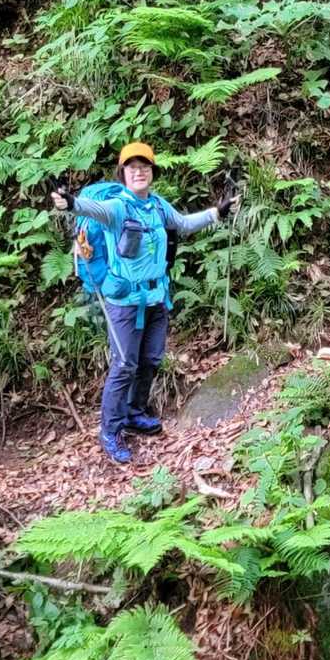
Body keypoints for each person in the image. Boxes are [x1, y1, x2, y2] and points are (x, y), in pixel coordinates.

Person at [52, 141, 235, 464]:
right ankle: (110, 430)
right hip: (124, 301)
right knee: (125, 364)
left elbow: (183, 225)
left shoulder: (158, 206)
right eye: (132, 167)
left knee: (150, 359)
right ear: (123, 173)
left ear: (152, 172)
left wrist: (216, 213)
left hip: (155, 298)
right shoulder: (117, 208)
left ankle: (135, 412)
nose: (139, 172)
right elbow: (88, 209)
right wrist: (69, 203)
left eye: (145, 166)